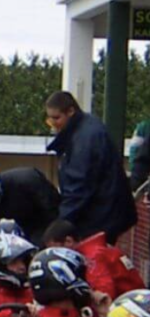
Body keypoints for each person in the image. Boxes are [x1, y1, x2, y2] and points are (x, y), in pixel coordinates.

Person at [45, 90, 136, 245]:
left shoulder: (85, 140)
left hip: (100, 217)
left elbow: (78, 187)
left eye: (57, 118)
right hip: (106, 214)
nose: (54, 125)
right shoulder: (87, 130)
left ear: (71, 112)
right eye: (50, 120)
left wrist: (59, 225)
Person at [43, 219, 144, 300]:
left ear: (68, 241)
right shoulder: (96, 250)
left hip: (131, 309)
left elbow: (104, 294)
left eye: (57, 250)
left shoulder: (92, 258)